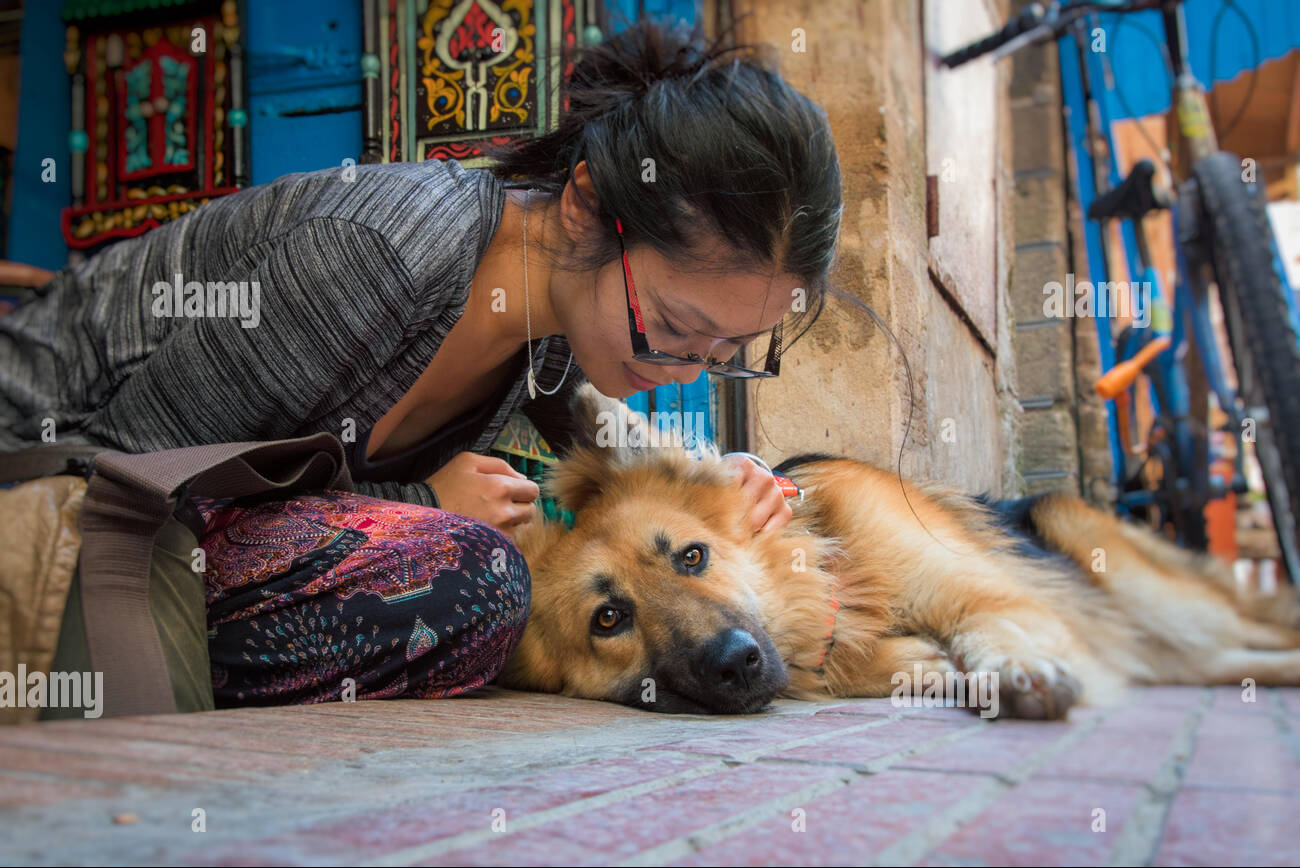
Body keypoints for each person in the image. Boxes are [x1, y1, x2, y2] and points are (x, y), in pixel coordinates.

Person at [0, 19, 844, 708]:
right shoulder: (377, 256)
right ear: (587, 207)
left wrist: (728, 483)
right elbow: (133, 468)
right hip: (48, 474)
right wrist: (416, 499)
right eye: (674, 326)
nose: (690, 371)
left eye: (726, 353)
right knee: (467, 578)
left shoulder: (554, 314)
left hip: (163, 506)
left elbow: (608, 445)